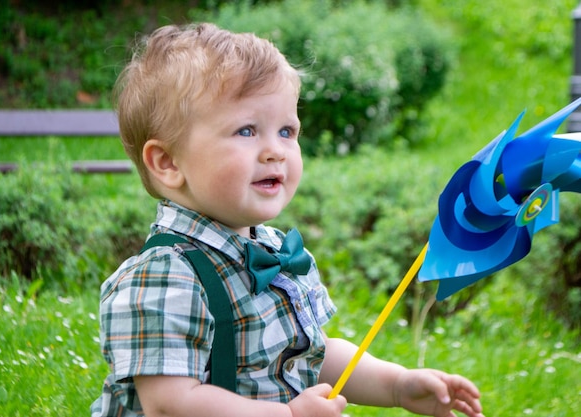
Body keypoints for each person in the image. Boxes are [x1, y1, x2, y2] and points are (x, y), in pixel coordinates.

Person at [91, 22, 485, 417]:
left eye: (286, 131)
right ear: (168, 163)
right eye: (246, 130)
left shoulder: (277, 252)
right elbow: (171, 403)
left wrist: (397, 385)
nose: (275, 151)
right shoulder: (166, 275)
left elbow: (311, 353)